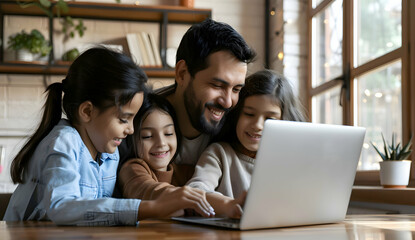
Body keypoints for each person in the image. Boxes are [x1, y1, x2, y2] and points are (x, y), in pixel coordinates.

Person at [3, 47, 213, 226]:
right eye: (124, 119)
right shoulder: (63, 142)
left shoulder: (109, 154)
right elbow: (62, 207)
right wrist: (152, 208)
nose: (131, 130)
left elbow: (101, 211)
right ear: (87, 111)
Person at [130, 19, 256, 176]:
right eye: (217, 86)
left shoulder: (237, 128)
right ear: (182, 73)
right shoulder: (135, 120)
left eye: (236, 89)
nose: (228, 101)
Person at [186, 69, 306, 218]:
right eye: (249, 114)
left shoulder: (290, 162)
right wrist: (229, 205)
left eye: (270, 119)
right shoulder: (219, 153)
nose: (257, 125)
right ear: (236, 114)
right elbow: (196, 190)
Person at [117, 93, 215, 216]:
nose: (161, 143)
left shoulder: (185, 172)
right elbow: (147, 190)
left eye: (168, 133)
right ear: (131, 138)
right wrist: (180, 195)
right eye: (147, 136)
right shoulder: (131, 169)